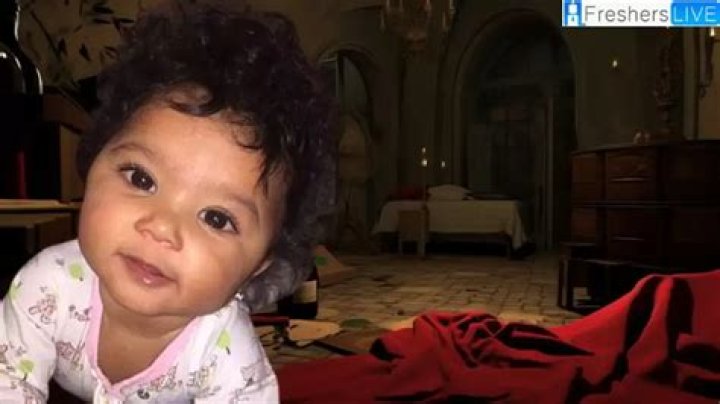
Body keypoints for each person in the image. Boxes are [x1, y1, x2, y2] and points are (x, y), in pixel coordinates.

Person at [0, 1, 337, 402]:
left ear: (258, 266)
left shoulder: (228, 357)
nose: (161, 227)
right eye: (141, 179)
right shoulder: (48, 287)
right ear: (93, 165)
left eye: (216, 218)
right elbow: (9, 378)